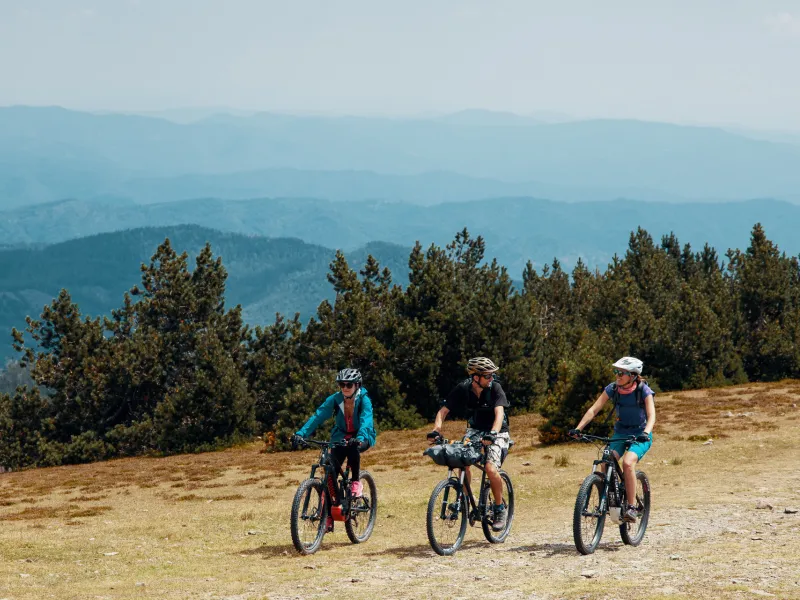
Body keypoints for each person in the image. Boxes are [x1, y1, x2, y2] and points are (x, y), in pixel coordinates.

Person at [427, 357, 511, 531]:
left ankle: (499, 508)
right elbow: (443, 411)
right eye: (488, 376)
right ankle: (465, 498)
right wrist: (436, 430)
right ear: (476, 377)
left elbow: (499, 413)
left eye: (492, 375)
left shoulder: (495, 388)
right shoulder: (463, 388)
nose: (491, 378)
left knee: (490, 468)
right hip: (475, 429)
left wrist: (493, 433)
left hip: (498, 431)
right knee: (462, 461)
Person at [569, 356, 655, 522]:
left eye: (621, 372)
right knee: (605, 461)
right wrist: (578, 428)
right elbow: (594, 410)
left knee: (628, 463)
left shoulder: (643, 390)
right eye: (616, 371)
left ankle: (631, 506)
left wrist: (646, 432)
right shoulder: (613, 389)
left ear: (632, 375)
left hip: (640, 435)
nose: (617, 375)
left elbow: (652, 416)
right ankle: (607, 500)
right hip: (621, 433)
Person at [292, 368, 375, 531]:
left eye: (348, 384)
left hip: (362, 436)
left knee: (353, 449)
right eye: (341, 384)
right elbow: (318, 415)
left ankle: (356, 482)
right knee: (330, 475)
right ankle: (328, 516)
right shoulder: (336, 399)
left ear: (357, 385)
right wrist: (300, 433)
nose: (345, 387)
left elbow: (366, 419)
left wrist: (360, 437)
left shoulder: (364, 399)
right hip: (340, 436)